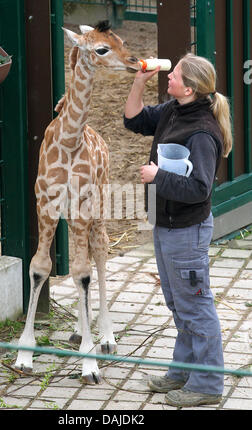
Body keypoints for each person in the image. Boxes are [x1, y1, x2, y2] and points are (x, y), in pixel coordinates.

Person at [124, 53, 232, 407]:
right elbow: (134, 119)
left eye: (175, 75)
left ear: (189, 87)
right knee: (179, 302)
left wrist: (159, 177)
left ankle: (207, 385)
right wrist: (140, 79)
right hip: (165, 223)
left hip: (187, 230)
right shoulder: (174, 110)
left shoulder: (202, 131)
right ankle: (183, 370)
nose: (168, 77)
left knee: (196, 306)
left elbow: (201, 188)